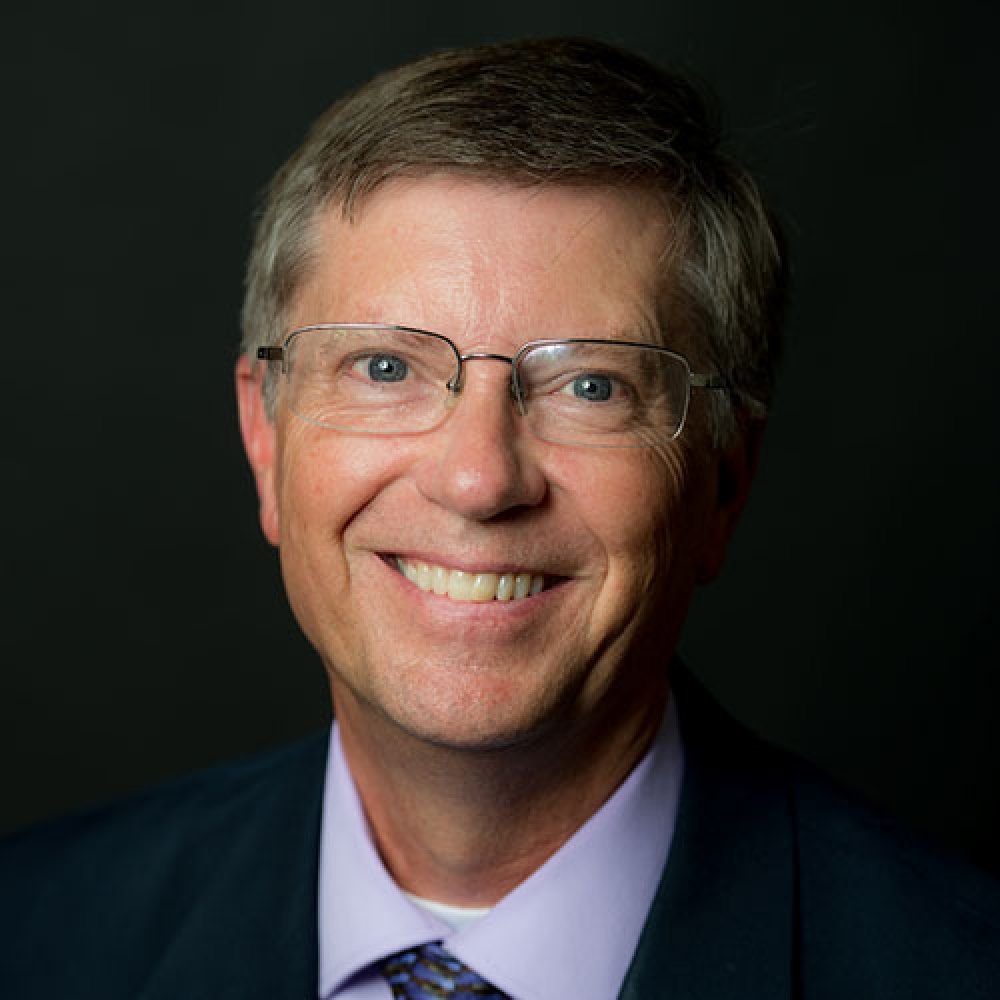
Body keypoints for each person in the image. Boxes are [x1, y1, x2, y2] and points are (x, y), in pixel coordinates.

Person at [2, 37, 997, 1000]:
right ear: (266, 437)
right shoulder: (36, 931)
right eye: (385, 367)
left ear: (723, 480)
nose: (479, 480)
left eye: (593, 385)